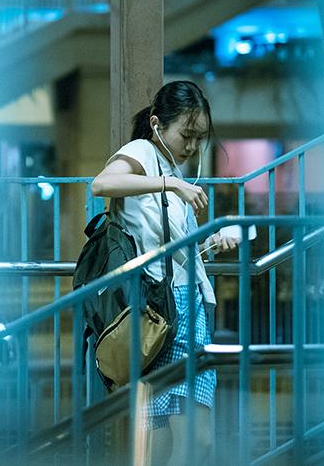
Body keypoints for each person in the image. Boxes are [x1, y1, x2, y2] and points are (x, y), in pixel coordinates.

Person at [90, 80, 239, 466]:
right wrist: (171, 183)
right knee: (196, 440)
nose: (192, 147)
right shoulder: (145, 153)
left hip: (165, 312)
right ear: (157, 124)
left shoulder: (172, 172)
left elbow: (174, 252)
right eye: (186, 135)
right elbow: (101, 184)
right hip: (167, 312)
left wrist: (212, 238)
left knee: (155, 447)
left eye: (199, 138)